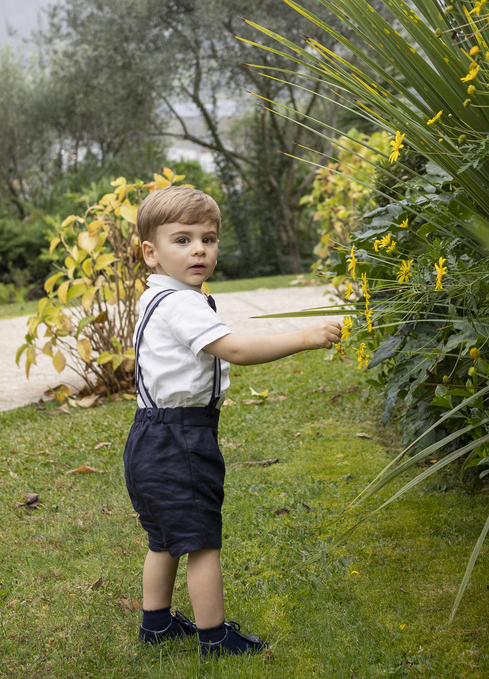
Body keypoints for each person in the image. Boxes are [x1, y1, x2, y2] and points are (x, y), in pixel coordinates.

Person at [124, 186, 341, 657]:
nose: (199, 250)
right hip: (180, 437)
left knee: (163, 538)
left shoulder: (158, 296)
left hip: (148, 434)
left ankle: (156, 625)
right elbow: (236, 349)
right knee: (202, 540)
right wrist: (304, 336)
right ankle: (215, 637)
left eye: (208, 239)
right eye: (183, 240)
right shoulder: (182, 303)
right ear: (151, 253)